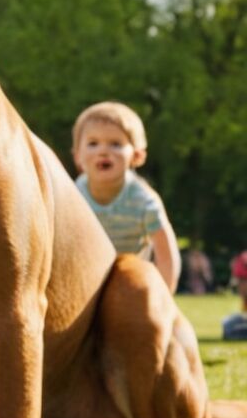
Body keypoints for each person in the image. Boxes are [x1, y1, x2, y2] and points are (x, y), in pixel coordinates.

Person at [71, 100, 180, 291]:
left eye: (115, 144)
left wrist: (164, 299)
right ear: (77, 155)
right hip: (84, 281)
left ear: (137, 156)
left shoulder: (144, 201)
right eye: (93, 143)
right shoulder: (72, 197)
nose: (103, 151)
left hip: (129, 284)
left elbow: (166, 255)